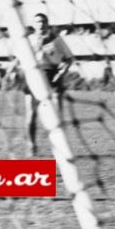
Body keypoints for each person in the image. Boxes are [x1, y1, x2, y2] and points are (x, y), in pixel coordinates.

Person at [21, 12, 75, 157]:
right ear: (33, 24)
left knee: (57, 115)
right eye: (37, 21)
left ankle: (59, 146)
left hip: (52, 75)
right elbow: (21, 59)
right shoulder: (29, 40)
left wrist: (61, 74)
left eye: (43, 21)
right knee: (31, 114)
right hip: (33, 76)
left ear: (47, 23)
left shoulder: (56, 40)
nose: (41, 24)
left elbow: (69, 59)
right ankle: (31, 145)